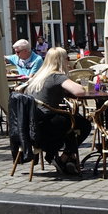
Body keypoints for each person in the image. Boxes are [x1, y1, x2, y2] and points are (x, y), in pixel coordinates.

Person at [22, 47, 93, 175]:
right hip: (46, 126)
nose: (69, 60)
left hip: (32, 124)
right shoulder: (56, 76)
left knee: (72, 122)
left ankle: (68, 158)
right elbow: (80, 91)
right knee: (84, 124)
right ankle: (64, 158)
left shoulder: (39, 75)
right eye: (67, 58)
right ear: (62, 60)